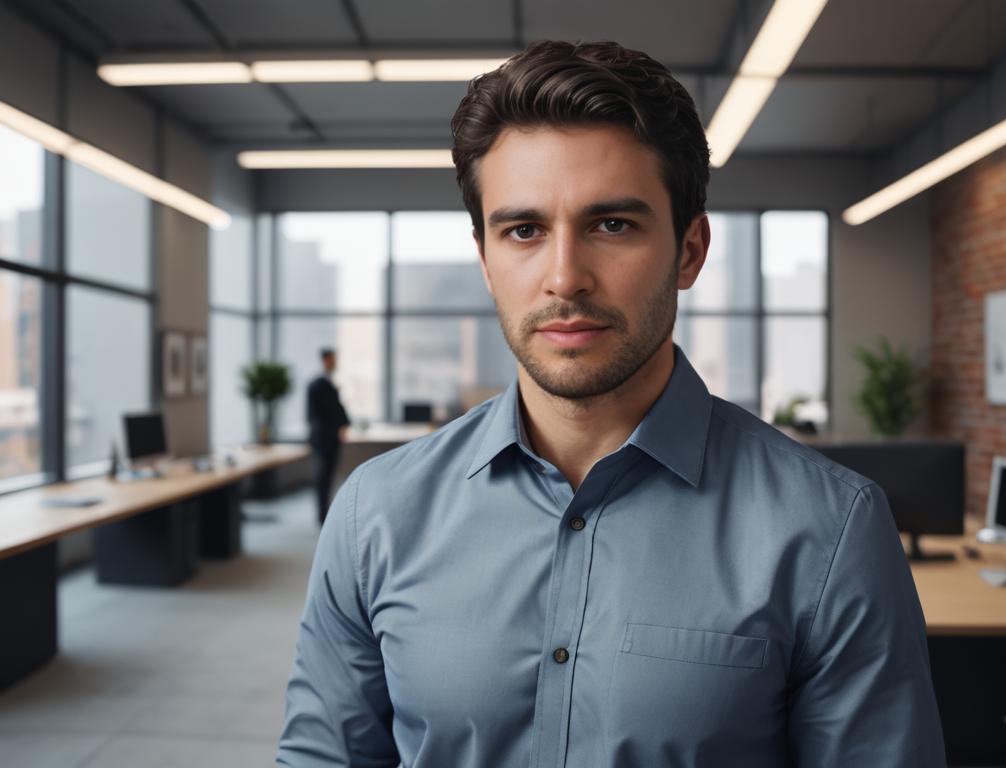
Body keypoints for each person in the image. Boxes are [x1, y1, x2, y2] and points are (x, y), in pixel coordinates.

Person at [279, 41, 945, 767]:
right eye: (524, 230)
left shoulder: (827, 531)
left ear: (689, 250)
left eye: (612, 225)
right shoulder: (376, 511)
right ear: (485, 258)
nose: (565, 277)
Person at [306, 348, 349, 525]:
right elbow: (318, 415)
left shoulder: (328, 383)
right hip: (324, 438)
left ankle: (325, 513)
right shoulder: (317, 384)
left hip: (331, 437)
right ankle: (322, 515)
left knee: (328, 476)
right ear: (325, 360)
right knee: (323, 477)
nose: (335, 362)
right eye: (332, 359)